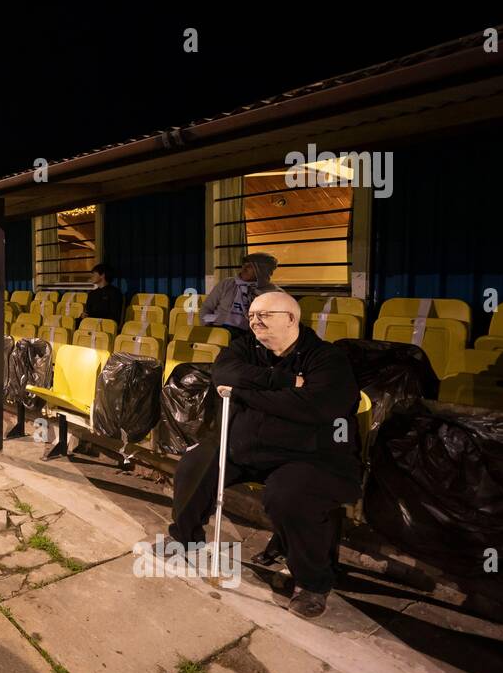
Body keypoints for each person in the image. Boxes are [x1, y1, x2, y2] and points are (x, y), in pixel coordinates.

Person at [149, 291, 361, 619]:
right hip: (243, 444)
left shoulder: (326, 358)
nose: (255, 322)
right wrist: (284, 382)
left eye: (265, 315)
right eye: (251, 316)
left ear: (291, 318)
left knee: (289, 496)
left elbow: (315, 407)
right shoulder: (246, 346)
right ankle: (186, 538)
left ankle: (313, 582)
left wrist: (246, 394)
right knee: (194, 465)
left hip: (304, 455)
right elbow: (223, 375)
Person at [199, 253, 281, 335]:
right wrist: (208, 324)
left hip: (248, 334)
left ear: (261, 270)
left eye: (249, 266)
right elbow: (207, 307)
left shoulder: (273, 293)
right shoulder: (227, 283)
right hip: (218, 328)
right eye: (244, 265)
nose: (244, 268)